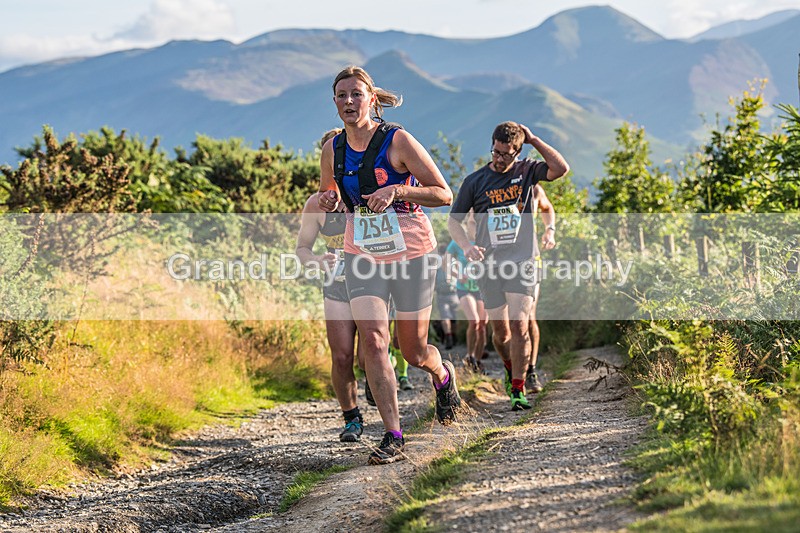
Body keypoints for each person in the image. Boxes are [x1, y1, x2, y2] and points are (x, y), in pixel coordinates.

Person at [318, 66, 461, 465]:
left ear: (371, 100)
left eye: (356, 95)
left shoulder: (396, 140)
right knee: (375, 344)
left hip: (411, 252)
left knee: (413, 350)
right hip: (362, 254)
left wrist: (397, 188)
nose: (349, 102)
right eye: (341, 95)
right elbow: (329, 194)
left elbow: (443, 193)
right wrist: (329, 201)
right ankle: (394, 435)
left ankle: (442, 374)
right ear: (335, 102)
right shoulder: (332, 149)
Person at [448, 121, 568, 411]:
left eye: (507, 154)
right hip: (489, 265)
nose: (500, 158)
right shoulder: (475, 181)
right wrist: (466, 246)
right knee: (500, 334)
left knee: (520, 324)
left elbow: (561, 169)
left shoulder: (527, 172)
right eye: (496, 151)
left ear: (518, 152)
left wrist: (534, 139)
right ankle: (508, 364)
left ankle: (518, 387)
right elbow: (454, 221)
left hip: (522, 260)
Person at [295, 128, 367, 443]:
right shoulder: (316, 204)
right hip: (336, 283)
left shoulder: (364, 195)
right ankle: (352, 418)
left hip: (372, 281)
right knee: (341, 357)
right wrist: (317, 261)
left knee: (368, 357)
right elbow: (302, 249)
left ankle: (379, 382)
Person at [446, 211, 488, 373]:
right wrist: (458, 274)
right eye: (472, 221)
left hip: (483, 288)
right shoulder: (458, 242)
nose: (474, 224)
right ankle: (470, 356)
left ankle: (477, 361)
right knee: (475, 321)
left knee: (483, 326)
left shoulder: (486, 239)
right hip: (464, 288)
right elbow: (446, 263)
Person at [525, 183, 556, 393]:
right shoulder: (492, 183)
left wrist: (550, 230)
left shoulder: (533, 188)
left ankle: (531, 370)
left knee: (528, 316)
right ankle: (513, 369)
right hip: (499, 262)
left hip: (529, 259)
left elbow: (547, 208)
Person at [434, 242, 458, 350]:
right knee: (454, 316)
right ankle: (453, 336)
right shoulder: (453, 261)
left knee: (445, 316)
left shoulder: (436, 262)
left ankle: (449, 338)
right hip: (454, 292)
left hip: (441, 293)